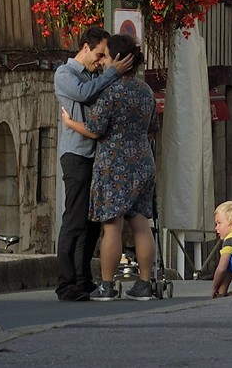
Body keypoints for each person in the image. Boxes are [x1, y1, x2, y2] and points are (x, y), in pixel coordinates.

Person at [60, 31, 158, 298]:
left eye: (106, 56)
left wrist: (69, 124)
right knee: (140, 223)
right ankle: (145, 283)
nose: (102, 61)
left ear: (116, 59)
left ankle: (106, 284)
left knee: (112, 225)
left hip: (114, 163)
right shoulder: (145, 90)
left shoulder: (110, 92)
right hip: (142, 160)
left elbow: (95, 129)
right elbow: (152, 127)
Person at [53, 22, 115, 302]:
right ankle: (66, 284)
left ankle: (82, 279)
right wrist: (113, 73)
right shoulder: (65, 73)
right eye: (99, 55)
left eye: (105, 58)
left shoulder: (94, 76)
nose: (101, 62)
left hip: (95, 155)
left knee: (91, 223)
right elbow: (84, 95)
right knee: (74, 220)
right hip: (76, 154)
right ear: (85, 47)